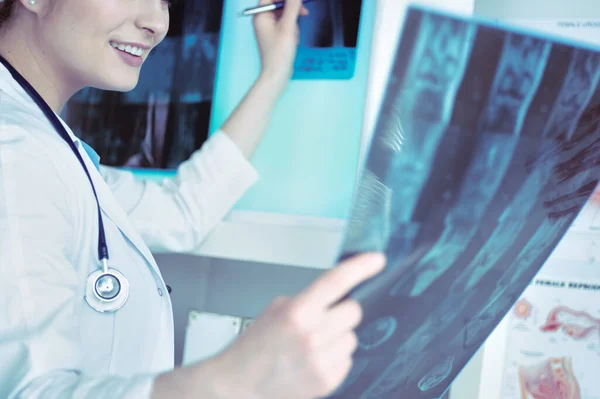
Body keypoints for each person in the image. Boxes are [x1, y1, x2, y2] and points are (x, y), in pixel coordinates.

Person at [0, 0, 386, 398]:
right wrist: (233, 379)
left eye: (166, 1)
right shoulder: (13, 148)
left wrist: (274, 74)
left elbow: (179, 213)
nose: (156, 23)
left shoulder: (44, 142)